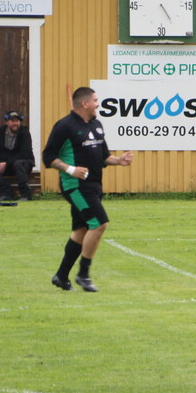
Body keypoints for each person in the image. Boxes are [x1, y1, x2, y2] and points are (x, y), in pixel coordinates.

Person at [41, 87, 133, 293]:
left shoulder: (96, 125)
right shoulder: (65, 126)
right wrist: (70, 169)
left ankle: (61, 276)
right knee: (99, 223)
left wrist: (119, 160)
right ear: (84, 103)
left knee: (81, 230)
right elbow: (48, 156)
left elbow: (103, 156)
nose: (98, 104)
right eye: (95, 100)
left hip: (94, 185)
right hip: (75, 186)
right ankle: (83, 274)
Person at [0, 111, 35, 201]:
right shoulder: (0, 131)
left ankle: (26, 195)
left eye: (17, 121)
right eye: (12, 121)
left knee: (18, 163)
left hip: (23, 164)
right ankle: (6, 193)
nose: (15, 123)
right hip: (6, 166)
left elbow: (24, 153)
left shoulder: (25, 132)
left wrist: (6, 163)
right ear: (6, 122)